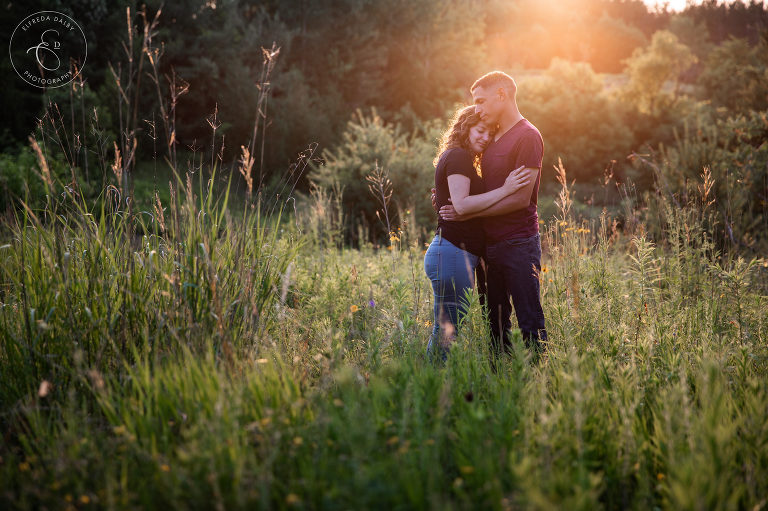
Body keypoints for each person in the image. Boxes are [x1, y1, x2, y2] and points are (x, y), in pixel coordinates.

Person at [439, 71, 547, 359]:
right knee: (495, 322)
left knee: (529, 319)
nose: (477, 109)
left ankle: (542, 384)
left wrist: (467, 213)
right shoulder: (492, 136)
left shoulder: (528, 136)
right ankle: (502, 380)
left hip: (519, 243)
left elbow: (521, 199)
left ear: (502, 94)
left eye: (481, 101)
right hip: (489, 246)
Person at [424, 105, 531, 361]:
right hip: (452, 254)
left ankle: (432, 382)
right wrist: (507, 189)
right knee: (447, 331)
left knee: (446, 329)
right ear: (465, 128)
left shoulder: (457, 157)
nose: (485, 137)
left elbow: (456, 203)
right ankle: (432, 385)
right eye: (480, 130)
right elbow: (460, 205)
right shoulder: (459, 156)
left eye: (489, 133)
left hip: (451, 254)